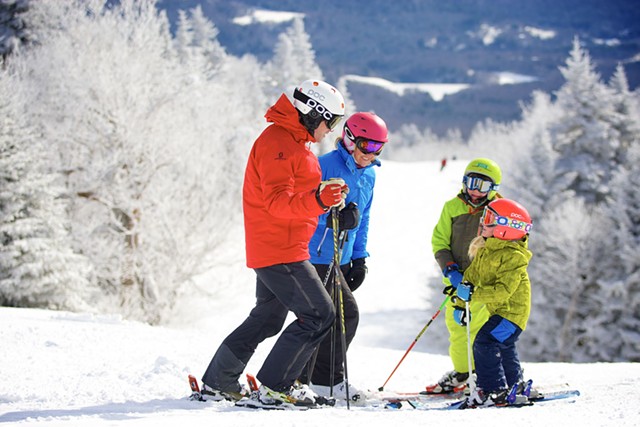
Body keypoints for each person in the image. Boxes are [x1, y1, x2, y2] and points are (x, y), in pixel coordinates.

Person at [200, 79, 347, 409]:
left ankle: (219, 380)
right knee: (320, 314)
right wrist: (318, 198)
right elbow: (278, 202)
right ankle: (277, 386)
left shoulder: (292, 142)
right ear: (314, 113)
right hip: (281, 249)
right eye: (331, 121)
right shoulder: (279, 143)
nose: (331, 130)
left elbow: (295, 191)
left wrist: (326, 195)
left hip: (279, 245)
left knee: (267, 318)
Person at [301, 112, 389, 401]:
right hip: (316, 253)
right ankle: (311, 381)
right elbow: (304, 210)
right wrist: (332, 217)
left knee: (341, 316)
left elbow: (363, 219)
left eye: (378, 147)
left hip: (340, 257)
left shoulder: (370, 174)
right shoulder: (323, 166)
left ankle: (320, 381)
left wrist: (359, 258)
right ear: (350, 140)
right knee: (330, 316)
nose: (371, 154)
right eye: (367, 146)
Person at [428, 158, 502, 394]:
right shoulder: (453, 207)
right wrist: (450, 269)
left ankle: (485, 374)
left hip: (484, 285)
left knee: (481, 328)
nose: (474, 189)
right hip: (457, 283)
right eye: (471, 182)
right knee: (457, 328)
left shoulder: (499, 210)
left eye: (482, 185)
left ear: (493, 189)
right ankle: (463, 371)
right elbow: (439, 240)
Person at [454, 198, 533, 407]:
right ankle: (513, 384)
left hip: (512, 314)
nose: (483, 223)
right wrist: (460, 305)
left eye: (489, 219)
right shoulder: (486, 250)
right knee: (502, 345)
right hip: (501, 313)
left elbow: (502, 292)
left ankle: (493, 390)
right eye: (484, 217)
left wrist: (472, 295)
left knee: (485, 342)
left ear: (506, 228)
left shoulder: (514, 257)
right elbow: (469, 278)